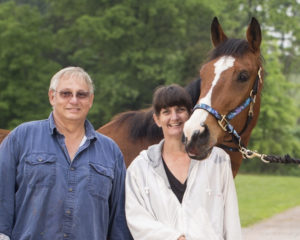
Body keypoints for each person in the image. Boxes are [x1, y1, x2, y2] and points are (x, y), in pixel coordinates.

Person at [0, 67, 132, 240]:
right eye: (66, 93)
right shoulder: (21, 137)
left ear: (91, 100)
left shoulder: (111, 152)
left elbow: (119, 222)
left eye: (81, 94)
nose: (74, 100)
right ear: (52, 97)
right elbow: (2, 200)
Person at [125, 84, 242, 240]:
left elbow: (231, 219)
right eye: (166, 112)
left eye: (180, 110)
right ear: (157, 119)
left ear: (190, 115)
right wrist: (175, 238)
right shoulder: (140, 168)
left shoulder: (217, 160)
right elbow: (136, 219)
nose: (174, 117)